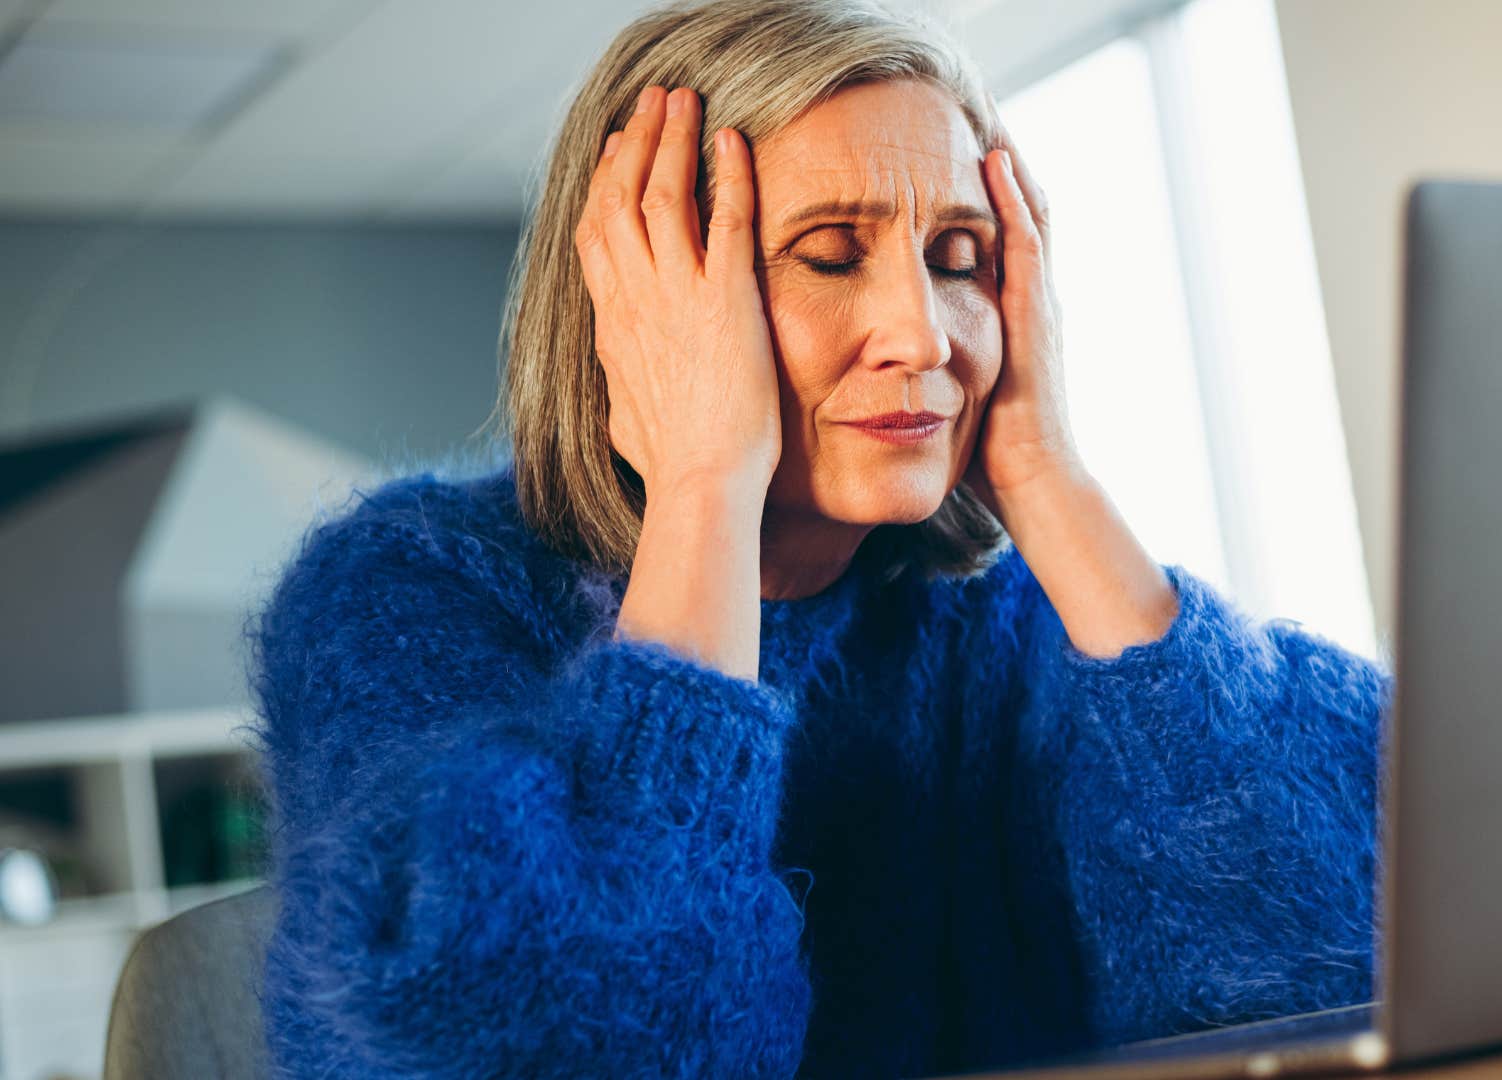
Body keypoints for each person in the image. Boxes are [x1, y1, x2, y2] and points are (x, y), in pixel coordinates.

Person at [245, 0, 1392, 1076]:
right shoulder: (410, 590)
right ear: (643, 300)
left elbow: (1331, 975)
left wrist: (1051, 477)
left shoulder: (1000, 621)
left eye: (959, 259)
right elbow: (559, 1039)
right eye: (832, 254)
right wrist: (705, 486)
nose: (921, 331)